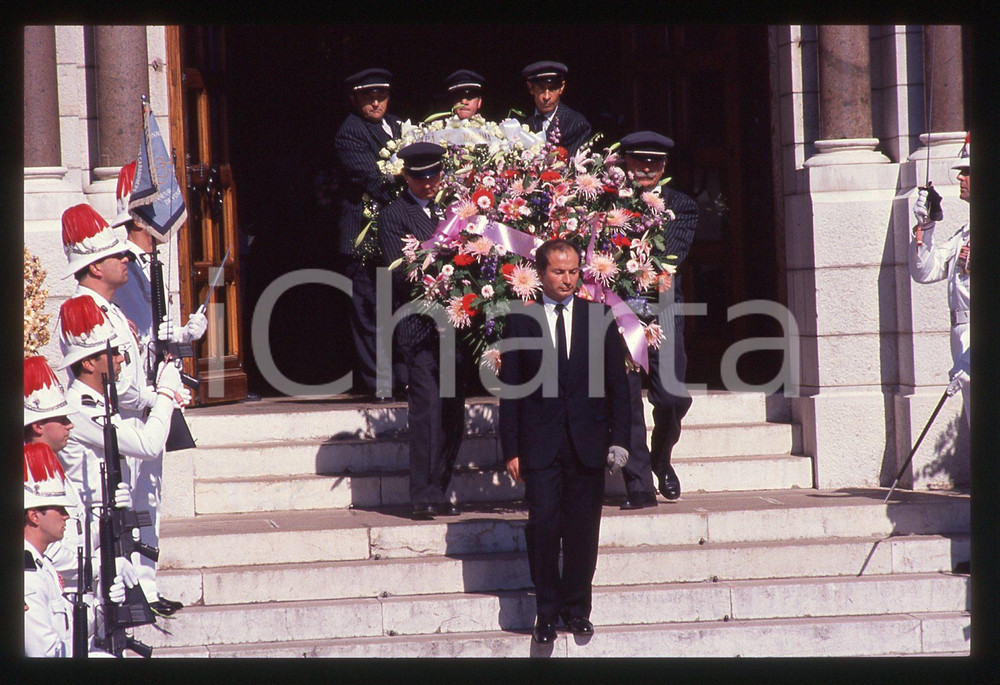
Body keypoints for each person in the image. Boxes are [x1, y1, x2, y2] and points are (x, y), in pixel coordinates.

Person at [498, 238, 630, 644]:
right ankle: (546, 612)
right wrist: (512, 449)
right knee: (542, 526)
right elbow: (512, 391)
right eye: (559, 271)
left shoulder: (600, 317)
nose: (567, 279)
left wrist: (619, 441)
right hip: (539, 446)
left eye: (574, 271)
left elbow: (618, 387)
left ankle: (577, 610)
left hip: (587, 444)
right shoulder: (522, 322)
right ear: (541, 274)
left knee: (582, 530)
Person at [109, 160, 206, 610]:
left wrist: (186, 333)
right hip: (134, 396)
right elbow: (137, 334)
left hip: (155, 392)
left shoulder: (149, 263)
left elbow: (155, 331)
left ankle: (148, 583)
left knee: (151, 492)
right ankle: (131, 587)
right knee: (131, 492)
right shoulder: (122, 265)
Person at [55, 293, 186, 617]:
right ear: (88, 362)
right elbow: (148, 444)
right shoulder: (79, 408)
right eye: (113, 354)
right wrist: (166, 393)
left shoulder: (98, 402)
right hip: (88, 531)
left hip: (108, 525)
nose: (121, 361)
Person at [378, 142, 468, 519]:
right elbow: (397, 270)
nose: (429, 183)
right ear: (406, 176)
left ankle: (441, 487)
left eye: (435, 175)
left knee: (453, 412)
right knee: (426, 410)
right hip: (418, 324)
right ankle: (422, 493)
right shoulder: (394, 215)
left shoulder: (455, 211)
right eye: (420, 177)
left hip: (456, 325)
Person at [615, 131, 700, 506]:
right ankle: (638, 485)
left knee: (672, 398)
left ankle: (660, 458)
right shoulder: (607, 202)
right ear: (625, 162)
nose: (646, 167)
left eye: (654, 162)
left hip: (661, 309)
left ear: (665, 166)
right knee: (627, 400)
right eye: (638, 160)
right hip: (616, 312)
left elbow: (671, 260)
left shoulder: (681, 205)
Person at [24, 442, 134, 657]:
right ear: (34, 515)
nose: (66, 515)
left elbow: (69, 630)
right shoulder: (28, 577)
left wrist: (102, 607)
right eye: (59, 509)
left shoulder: (43, 565)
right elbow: (45, 654)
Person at [333, 68, 404, 398]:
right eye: (368, 97)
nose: (376, 103)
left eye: (381, 96)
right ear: (354, 99)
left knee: (399, 308)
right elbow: (371, 178)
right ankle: (380, 385)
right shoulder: (351, 132)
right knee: (370, 311)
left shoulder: (400, 126)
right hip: (364, 236)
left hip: (397, 235)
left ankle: (402, 379)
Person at [910, 133, 971, 426]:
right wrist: (926, 226)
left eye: (969, 172)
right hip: (961, 331)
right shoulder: (966, 232)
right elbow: (925, 271)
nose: (961, 177)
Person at [520, 61, 591, 156]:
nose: (546, 96)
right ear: (531, 88)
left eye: (552, 89)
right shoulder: (520, 121)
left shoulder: (576, 124)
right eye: (541, 89)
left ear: (561, 87)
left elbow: (572, 167)